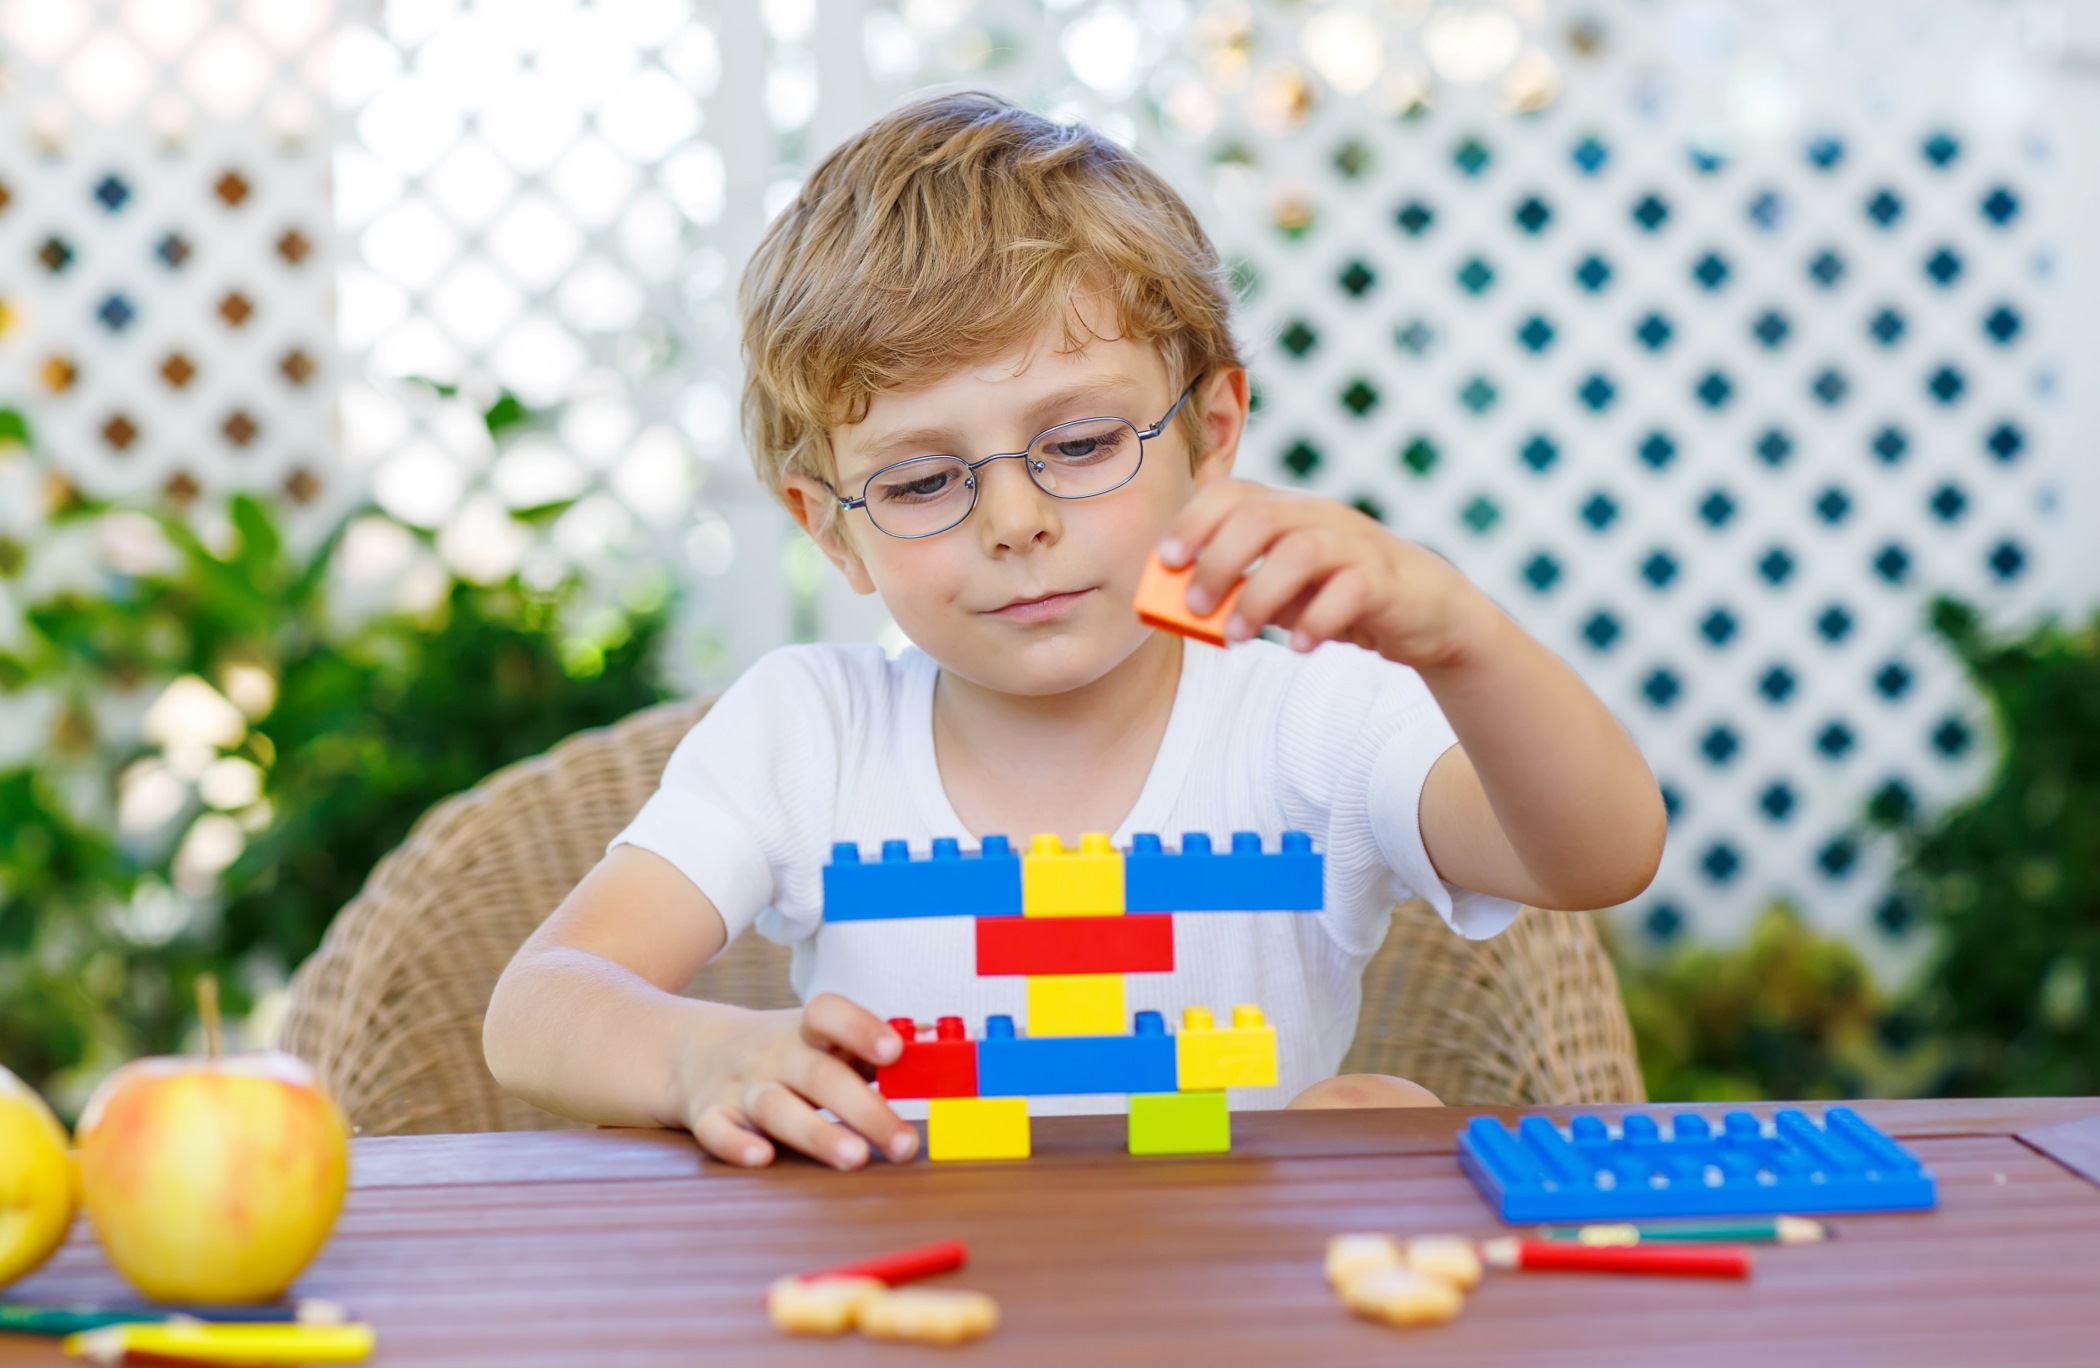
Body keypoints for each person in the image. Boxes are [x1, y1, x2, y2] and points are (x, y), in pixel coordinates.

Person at [484, 91, 1664, 1170]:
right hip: (908, 1302)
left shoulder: (1314, 715)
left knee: (1377, 1112)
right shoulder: (810, 731)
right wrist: (699, 1057)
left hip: (1226, 1313)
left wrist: (1458, 637)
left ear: (1209, 431)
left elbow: (1598, 856)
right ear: (830, 527)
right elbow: (539, 1004)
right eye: (919, 480)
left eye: (1083, 444)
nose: (1015, 520)